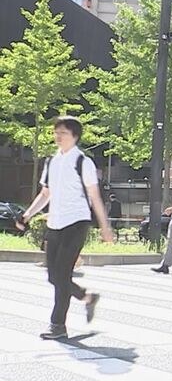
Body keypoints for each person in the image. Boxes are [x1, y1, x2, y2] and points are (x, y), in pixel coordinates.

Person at [16, 117, 113, 340]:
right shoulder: (52, 161)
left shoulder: (83, 162)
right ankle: (87, 297)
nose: (58, 136)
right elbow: (45, 194)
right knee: (53, 276)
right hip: (55, 223)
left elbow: (94, 196)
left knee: (62, 274)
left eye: (63, 132)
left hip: (77, 222)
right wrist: (28, 214)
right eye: (56, 132)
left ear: (75, 136)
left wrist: (105, 226)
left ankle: (57, 325)